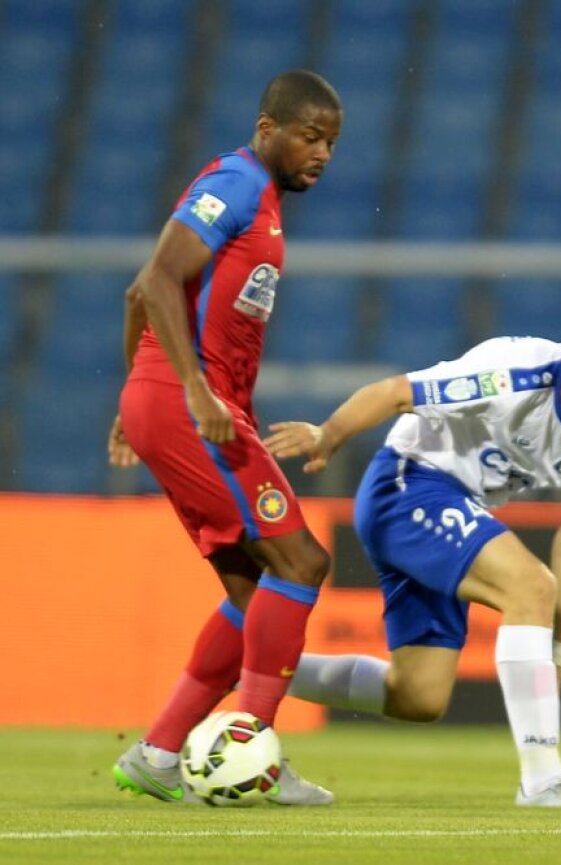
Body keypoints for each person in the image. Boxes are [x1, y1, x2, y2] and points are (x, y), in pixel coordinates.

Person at [264, 310, 561, 809]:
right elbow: (395, 393)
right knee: (531, 586)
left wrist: (558, 650)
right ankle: (543, 780)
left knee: (418, 694)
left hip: (454, 507)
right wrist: (330, 434)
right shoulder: (514, 374)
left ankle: (251, 666)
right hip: (409, 485)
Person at [107, 70, 343, 805]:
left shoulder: (262, 200)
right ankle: (253, 749)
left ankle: (159, 750)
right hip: (193, 406)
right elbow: (154, 279)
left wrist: (136, 393)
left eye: (332, 142)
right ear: (268, 127)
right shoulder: (235, 183)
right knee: (301, 559)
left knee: (253, 588)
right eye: (310, 136)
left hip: (176, 401)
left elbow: (136, 298)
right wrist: (189, 387)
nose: (322, 153)